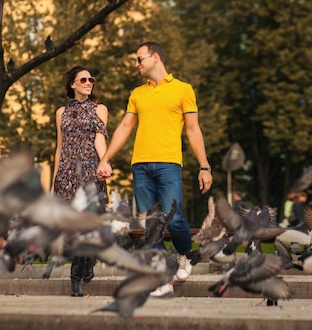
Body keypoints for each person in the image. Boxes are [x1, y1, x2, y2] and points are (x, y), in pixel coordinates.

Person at [96, 41, 212, 298]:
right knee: (152, 225)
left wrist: (204, 166)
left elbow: (193, 130)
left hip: (169, 164)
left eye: (140, 59)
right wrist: (105, 159)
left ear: (155, 57)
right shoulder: (138, 93)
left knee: (174, 218)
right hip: (140, 166)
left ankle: (185, 253)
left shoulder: (183, 89)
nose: (137, 64)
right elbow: (125, 128)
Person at [51, 65, 109, 298]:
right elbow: (59, 148)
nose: (88, 82)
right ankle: (84, 265)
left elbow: (100, 141)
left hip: (89, 171)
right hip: (66, 173)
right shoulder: (61, 113)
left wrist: (104, 162)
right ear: (72, 84)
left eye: (91, 79)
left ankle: (76, 278)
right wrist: (54, 180)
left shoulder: (100, 109)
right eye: (83, 79)